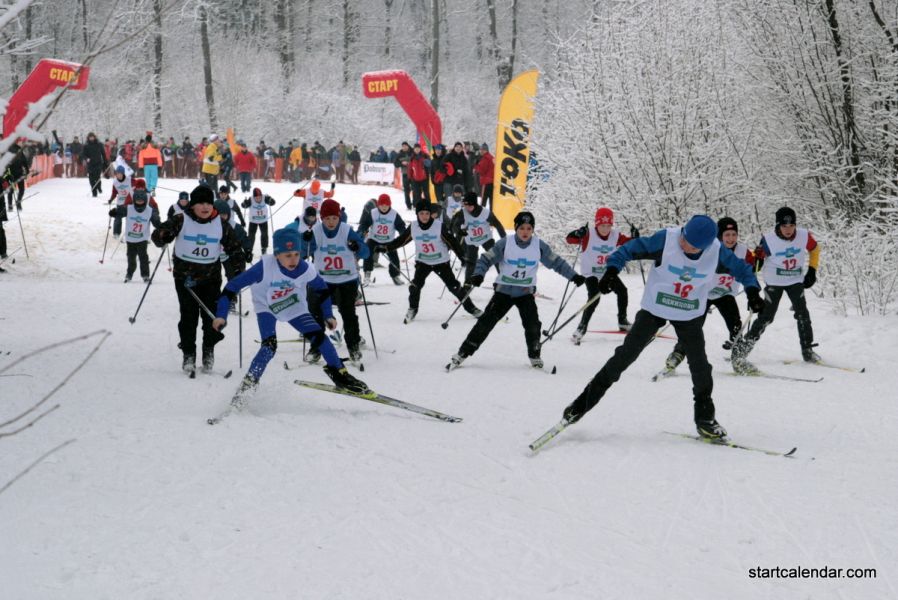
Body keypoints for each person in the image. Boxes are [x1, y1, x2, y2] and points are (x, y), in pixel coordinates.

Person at [559, 215, 766, 440]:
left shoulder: (717, 251)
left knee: (701, 367)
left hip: (689, 312)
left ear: (706, 246)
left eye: (692, 245)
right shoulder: (667, 240)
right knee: (624, 357)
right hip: (655, 308)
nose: (684, 244)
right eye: (685, 237)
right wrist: (611, 271)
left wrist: (753, 291)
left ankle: (705, 420)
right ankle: (580, 406)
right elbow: (627, 249)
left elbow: (744, 270)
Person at [212, 227, 371, 407]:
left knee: (320, 338)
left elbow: (322, 290)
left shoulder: (305, 268)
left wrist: (328, 314)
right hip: (267, 307)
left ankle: (341, 376)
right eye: (288, 255)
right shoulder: (264, 267)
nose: (293, 259)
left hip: (294, 306)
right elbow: (231, 287)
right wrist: (221, 316)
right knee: (269, 347)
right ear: (277, 254)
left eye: (296, 254)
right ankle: (247, 386)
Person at [448, 211, 584, 370]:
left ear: (532, 229)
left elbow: (557, 263)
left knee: (533, 325)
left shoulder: (539, 246)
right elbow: (485, 259)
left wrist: (574, 276)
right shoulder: (505, 243)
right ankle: (463, 352)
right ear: (516, 228)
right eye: (522, 228)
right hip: (503, 293)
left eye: (529, 228)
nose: (525, 232)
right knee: (486, 323)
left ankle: (534, 355)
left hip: (525, 293)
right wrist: (478, 274)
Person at [151, 185, 247, 374]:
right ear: (193, 205)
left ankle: (208, 351)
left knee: (211, 317)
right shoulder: (181, 219)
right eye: (200, 203)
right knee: (188, 317)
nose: (205, 207)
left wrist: (238, 270)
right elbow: (157, 236)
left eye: (208, 203)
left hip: (210, 278)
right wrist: (164, 235)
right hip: (185, 279)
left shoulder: (220, 224)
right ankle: (188, 354)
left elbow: (235, 248)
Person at [730, 207, 821, 373]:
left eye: (791, 225)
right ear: (778, 226)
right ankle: (742, 350)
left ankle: (808, 350)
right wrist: (758, 258)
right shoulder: (769, 240)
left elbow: (815, 249)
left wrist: (812, 270)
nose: (788, 229)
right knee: (766, 317)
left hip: (795, 280)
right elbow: (757, 263)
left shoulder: (803, 235)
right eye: (784, 226)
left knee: (803, 314)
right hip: (774, 282)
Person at [662, 216, 755, 374]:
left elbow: (751, 269)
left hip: (725, 294)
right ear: (719, 236)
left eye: (734, 234)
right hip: (703, 294)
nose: (731, 239)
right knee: (693, 327)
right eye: (727, 235)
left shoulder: (743, 251)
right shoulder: (710, 250)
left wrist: (758, 263)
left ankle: (738, 359)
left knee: (736, 325)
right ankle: (677, 354)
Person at [379, 201, 481, 323]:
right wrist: (386, 248)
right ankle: (413, 309)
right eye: (421, 213)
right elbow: (401, 240)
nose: (424, 216)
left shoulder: (439, 226)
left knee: (454, 287)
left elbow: (452, 242)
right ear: (417, 214)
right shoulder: (414, 227)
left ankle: (472, 308)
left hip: (441, 262)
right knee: (415, 286)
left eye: (427, 213)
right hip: (423, 263)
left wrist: (462, 257)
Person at [301, 199, 371, 363]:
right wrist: (305, 240)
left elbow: (366, 252)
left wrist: (357, 247)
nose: (330, 222)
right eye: (327, 219)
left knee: (348, 313)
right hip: (321, 280)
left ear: (339, 217)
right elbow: (302, 252)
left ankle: (353, 346)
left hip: (346, 279)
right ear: (321, 218)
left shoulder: (347, 231)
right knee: (315, 312)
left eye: (334, 218)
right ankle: (316, 347)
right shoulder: (316, 231)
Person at [565, 207, 635, 342]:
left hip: (606, 273)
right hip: (590, 273)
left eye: (608, 225)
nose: (605, 229)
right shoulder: (588, 234)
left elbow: (629, 244)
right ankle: (582, 326)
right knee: (594, 297)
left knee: (622, 291)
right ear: (597, 224)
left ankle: (622, 321)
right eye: (602, 225)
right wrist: (577, 233)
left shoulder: (615, 235)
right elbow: (569, 239)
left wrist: (635, 237)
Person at [450, 191, 506, 282]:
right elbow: (455, 226)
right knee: (471, 263)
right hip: (472, 242)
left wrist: (504, 239)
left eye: (470, 206)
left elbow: (498, 225)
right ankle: (467, 284)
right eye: (465, 205)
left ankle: (504, 278)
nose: (467, 208)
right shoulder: (462, 213)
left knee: (495, 257)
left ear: (475, 204)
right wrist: (460, 232)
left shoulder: (486, 213)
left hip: (486, 239)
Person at [109, 187, 161, 282]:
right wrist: (115, 212)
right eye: (137, 201)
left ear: (145, 200)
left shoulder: (149, 210)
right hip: (130, 239)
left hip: (142, 238)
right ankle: (129, 274)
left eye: (141, 201)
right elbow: (120, 211)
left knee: (143, 257)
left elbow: (156, 220)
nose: (139, 203)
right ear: (134, 200)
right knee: (131, 258)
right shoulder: (129, 208)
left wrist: (161, 227)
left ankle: (145, 275)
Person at [357, 193, 407, 286]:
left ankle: (395, 275)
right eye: (381, 205)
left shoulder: (394, 214)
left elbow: (400, 225)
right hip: (374, 239)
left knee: (394, 257)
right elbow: (364, 223)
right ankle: (367, 275)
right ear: (378, 205)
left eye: (386, 205)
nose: (384, 207)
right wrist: (362, 230)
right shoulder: (373, 212)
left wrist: (402, 233)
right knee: (368, 254)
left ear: (389, 205)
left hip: (389, 240)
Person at [241, 187, 276, 255]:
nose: (258, 199)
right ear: (254, 197)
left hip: (263, 220)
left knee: (264, 235)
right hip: (253, 221)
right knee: (251, 236)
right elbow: (243, 205)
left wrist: (270, 199)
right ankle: (249, 249)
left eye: (259, 197)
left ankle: (264, 248)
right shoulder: (251, 199)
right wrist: (244, 203)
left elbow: (273, 203)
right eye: (256, 198)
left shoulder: (264, 198)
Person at [83, 132, 108, 197]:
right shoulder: (86, 145)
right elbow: (83, 154)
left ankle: (99, 187)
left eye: (92, 137)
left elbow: (103, 154)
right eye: (90, 137)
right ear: (88, 138)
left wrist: (105, 162)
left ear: (94, 137)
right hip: (90, 164)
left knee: (97, 178)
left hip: (98, 164)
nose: (91, 138)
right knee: (91, 180)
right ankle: (94, 193)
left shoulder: (99, 144)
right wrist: (86, 158)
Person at [473, 143, 495, 209]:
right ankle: (491, 215)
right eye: (481, 149)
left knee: (483, 202)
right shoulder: (492, 157)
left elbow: (482, 171)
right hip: (492, 182)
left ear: (486, 150)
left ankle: (481, 215)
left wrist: (476, 165)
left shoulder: (485, 158)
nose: (481, 151)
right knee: (492, 201)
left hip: (486, 182)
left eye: (483, 150)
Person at [394, 141, 413, 209]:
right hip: (405, 174)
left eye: (405, 146)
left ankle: (415, 203)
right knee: (406, 190)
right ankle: (408, 205)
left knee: (415, 190)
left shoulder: (413, 152)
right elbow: (395, 163)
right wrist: (402, 163)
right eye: (403, 146)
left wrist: (409, 163)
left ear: (408, 146)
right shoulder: (400, 154)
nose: (404, 147)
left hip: (414, 174)